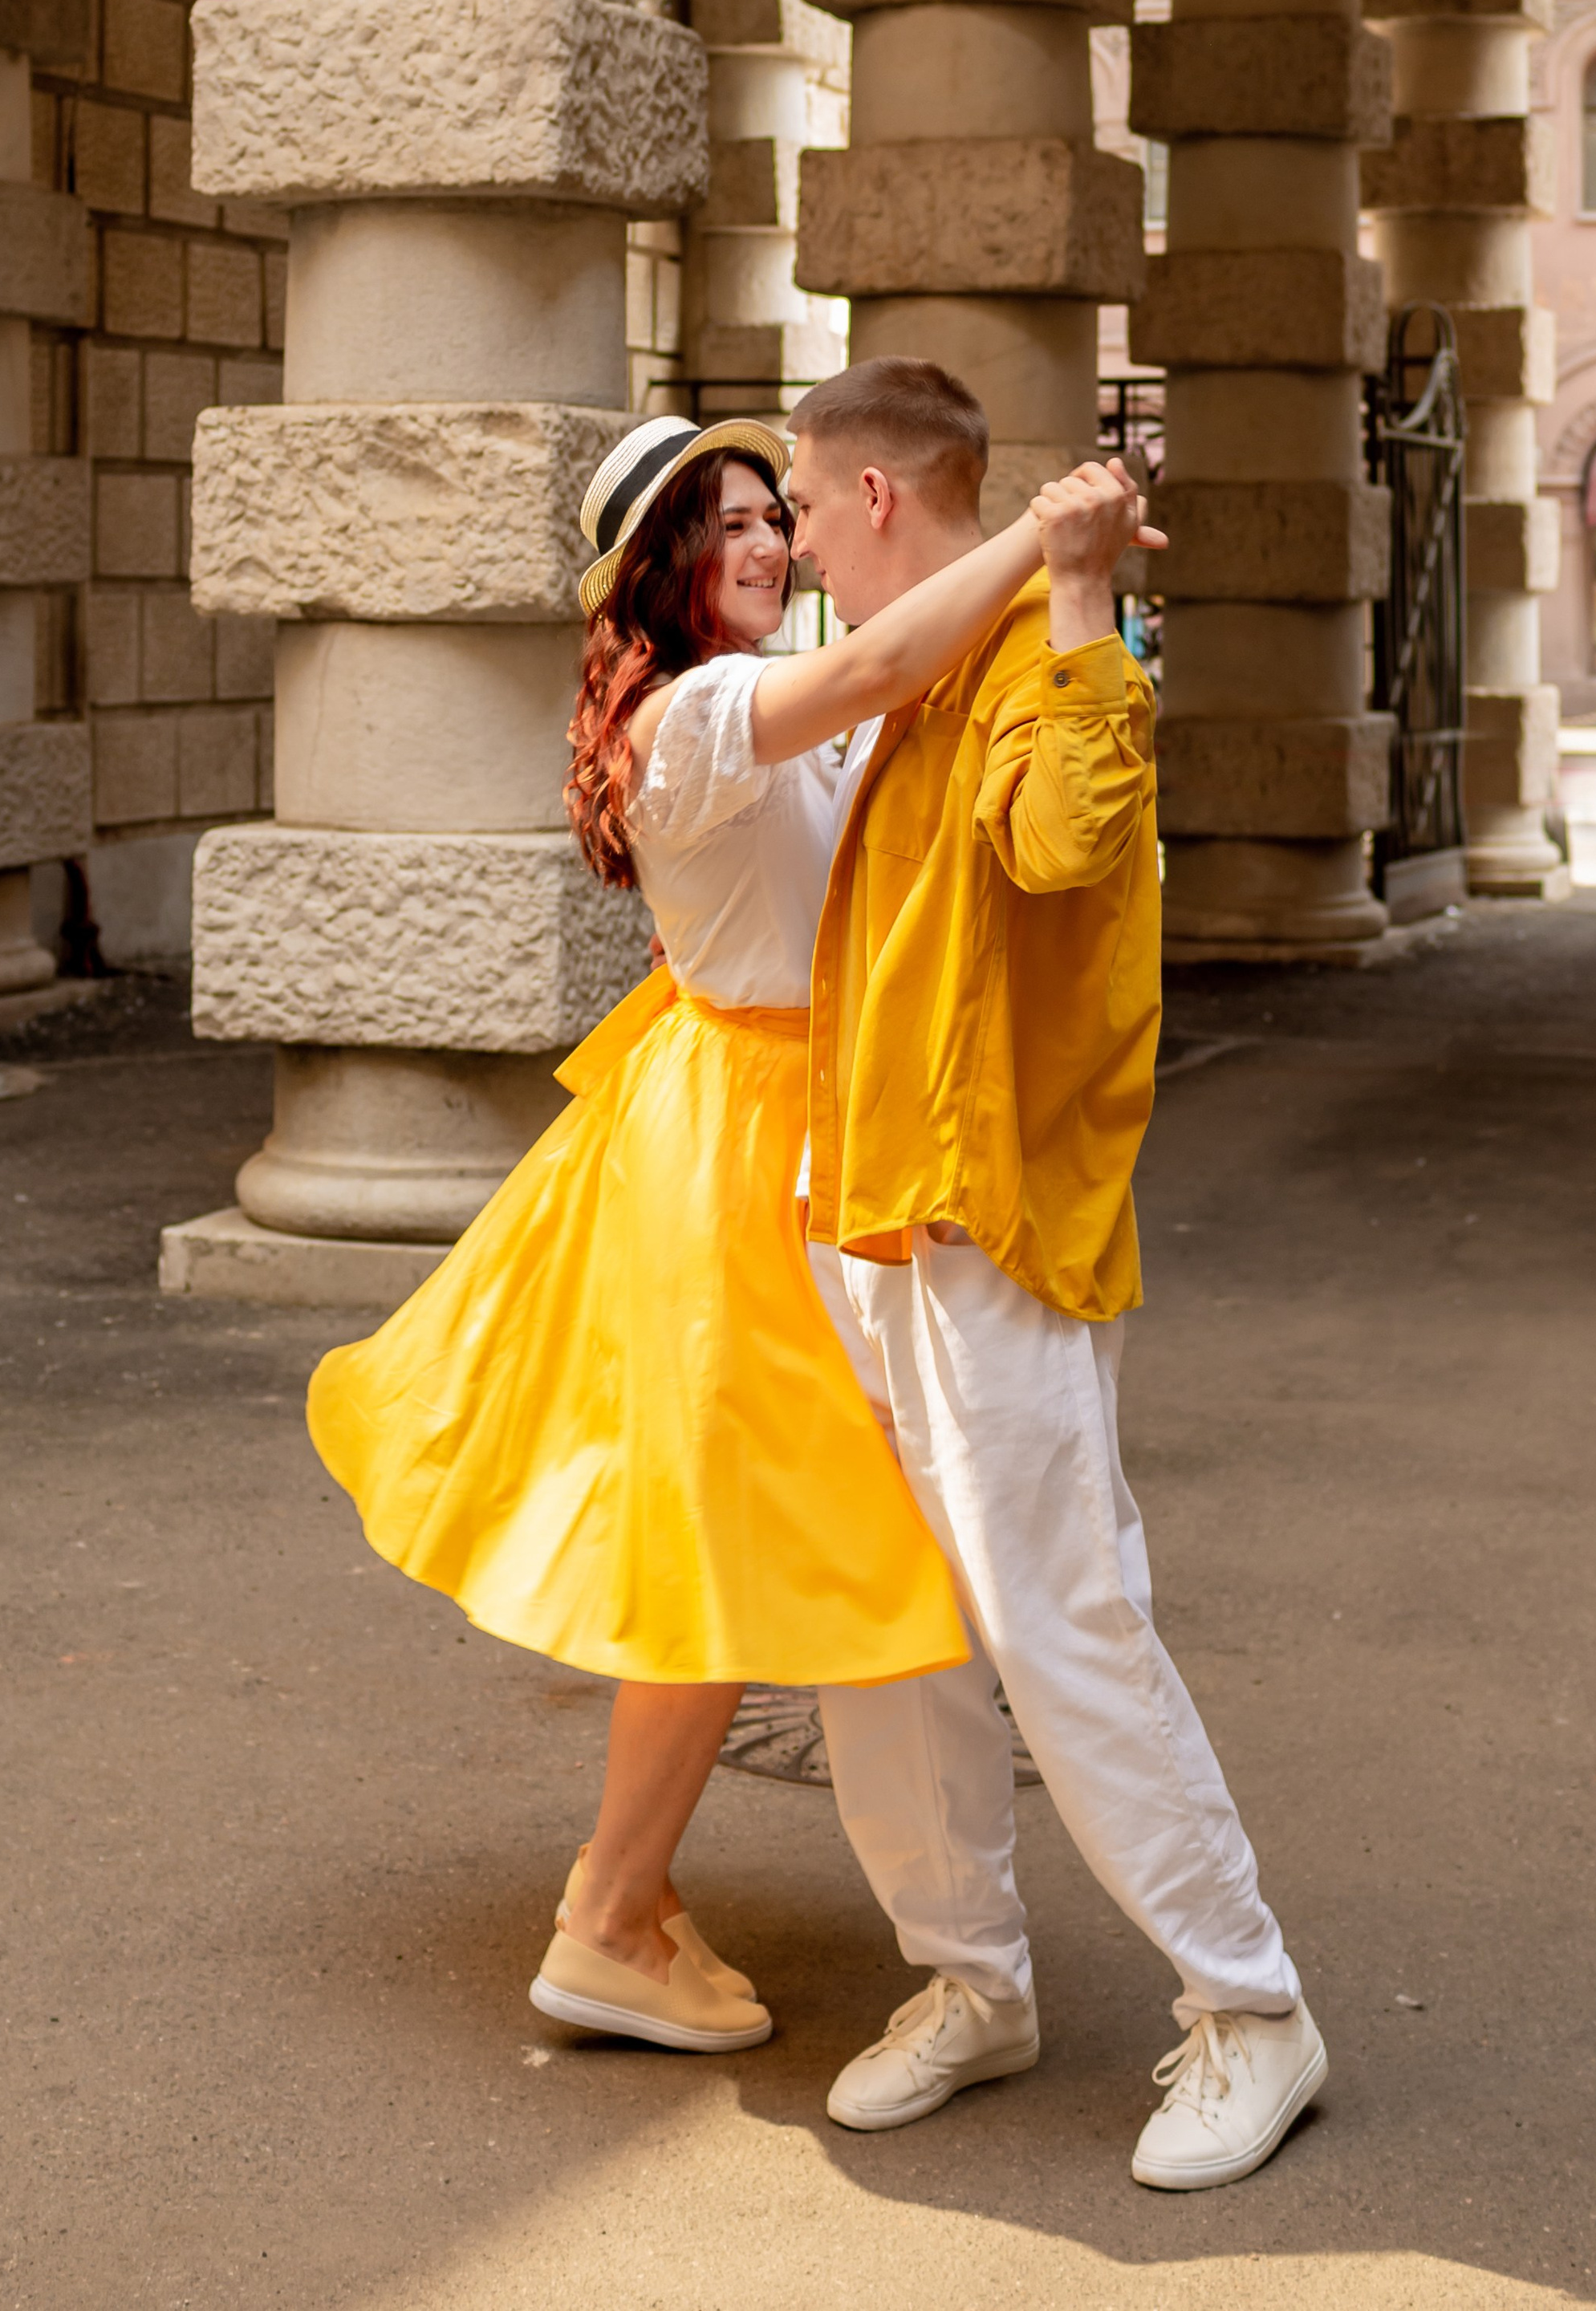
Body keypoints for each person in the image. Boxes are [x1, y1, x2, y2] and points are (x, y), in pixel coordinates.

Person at [306, 412, 1157, 2057]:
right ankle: (614, 1916)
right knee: (724, 1543)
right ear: (658, 575)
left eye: (776, 514)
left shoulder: (751, 699)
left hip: (793, 1114)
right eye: (726, 526)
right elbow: (886, 661)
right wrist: (1048, 543)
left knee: (743, 1537)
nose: (768, 543)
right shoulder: (697, 714)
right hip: (746, 1139)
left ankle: (643, 1904)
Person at [781, 357, 1326, 2193]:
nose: (796, 542)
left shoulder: (1035, 641)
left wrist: (1080, 586)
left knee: (1059, 1620)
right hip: (873, 1208)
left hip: (981, 1218)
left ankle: (1249, 2008)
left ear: (872, 496)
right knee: (885, 1626)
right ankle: (971, 1982)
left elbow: (1066, 841)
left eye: (802, 504)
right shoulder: (927, 655)